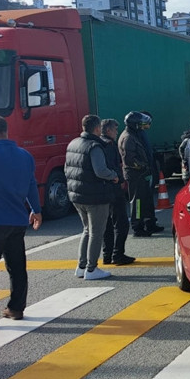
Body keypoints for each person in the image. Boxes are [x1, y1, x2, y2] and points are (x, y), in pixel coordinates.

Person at [0, 115, 42, 326]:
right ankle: (16, 308)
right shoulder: (25, 155)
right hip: (17, 221)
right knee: (17, 267)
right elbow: (31, 185)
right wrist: (36, 210)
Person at [66, 115, 119, 280]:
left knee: (87, 230)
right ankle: (92, 268)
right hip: (95, 195)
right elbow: (100, 170)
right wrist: (114, 175)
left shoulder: (73, 143)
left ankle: (81, 266)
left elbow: (67, 169)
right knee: (97, 232)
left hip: (77, 194)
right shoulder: (95, 146)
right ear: (97, 129)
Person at [119, 111, 160, 238]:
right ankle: (138, 227)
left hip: (143, 173)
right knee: (137, 202)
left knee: (147, 200)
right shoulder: (128, 138)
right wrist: (143, 166)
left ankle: (150, 223)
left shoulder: (136, 134)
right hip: (136, 175)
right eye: (141, 124)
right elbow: (130, 160)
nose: (144, 126)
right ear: (135, 124)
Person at [100, 119, 134, 266]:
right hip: (113, 189)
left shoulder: (98, 143)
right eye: (114, 130)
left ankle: (107, 254)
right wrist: (119, 179)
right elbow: (113, 165)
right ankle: (117, 254)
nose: (116, 132)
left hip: (103, 190)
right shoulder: (109, 145)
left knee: (107, 224)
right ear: (108, 130)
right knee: (121, 223)